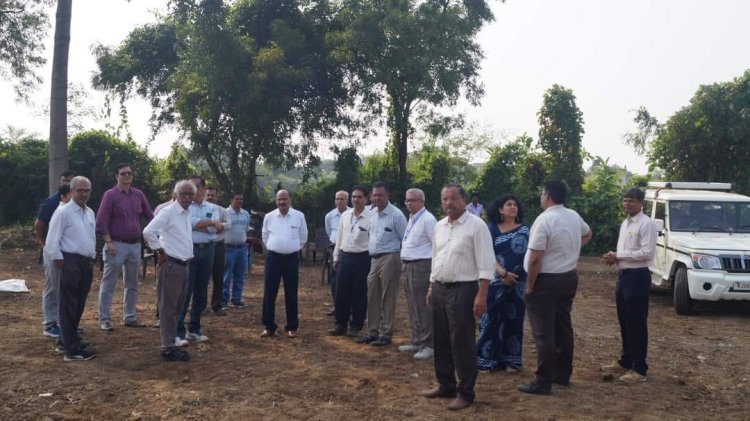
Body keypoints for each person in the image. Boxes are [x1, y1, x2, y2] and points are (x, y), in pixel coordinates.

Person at [421, 183, 494, 411]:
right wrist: (432, 286)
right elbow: (436, 257)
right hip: (440, 288)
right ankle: (445, 384)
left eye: (453, 198)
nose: (449, 203)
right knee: (441, 340)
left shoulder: (476, 226)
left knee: (461, 342)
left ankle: (466, 392)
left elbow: (486, 262)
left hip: (464, 289)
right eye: (444, 199)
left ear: (463, 199)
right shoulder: (440, 226)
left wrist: (482, 294)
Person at [518, 180, 592, 395]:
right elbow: (588, 234)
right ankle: (561, 374)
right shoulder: (572, 216)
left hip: (546, 281)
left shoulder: (544, 220)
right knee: (562, 326)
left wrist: (530, 285)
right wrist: (570, 250)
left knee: (544, 332)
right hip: (567, 277)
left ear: (547, 195)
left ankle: (543, 381)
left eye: (542, 193)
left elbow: (535, 259)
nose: (541, 197)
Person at [601, 188, 657, 383]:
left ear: (641, 203)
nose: (627, 204)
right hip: (624, 275)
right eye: (625, 201)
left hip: (638, 277)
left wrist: (620, 256)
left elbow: (647, 253)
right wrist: (614, 258)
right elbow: (625, 251)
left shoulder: (646, 224)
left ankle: (639, 368)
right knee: (624, 320)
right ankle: (626, 360)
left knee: (636, 322)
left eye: (631, 201)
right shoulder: (625, 223)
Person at [96, 163, 154, 330]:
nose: (127, 176)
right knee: (109, 283)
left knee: (132, 283)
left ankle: (129, 317)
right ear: (117, 176)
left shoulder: (138, 195)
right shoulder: (110, 195)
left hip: (135, 245)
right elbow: (101, 222)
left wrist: (153, 235)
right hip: (116, 244)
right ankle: (104, 319)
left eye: (129, 173)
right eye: (123, 174)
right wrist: (109, 242)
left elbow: (150, 216)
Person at [142, 180, 196, 362]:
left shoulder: (187, 212)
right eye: (184, 194)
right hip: (171, 265)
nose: (187, 197)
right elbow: (148, 231)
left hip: (183, 264)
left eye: (190, 194)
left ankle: (171, 343)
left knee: (178, 307)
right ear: (176, 194)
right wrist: (159, 250)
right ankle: (167, 347)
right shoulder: (168, 212)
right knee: (168, 308)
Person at [45, 176, 96, 361]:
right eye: (79, 190)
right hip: (69, 261)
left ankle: (66, 340)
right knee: (68, 304)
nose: (83, 194)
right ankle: (72, 350)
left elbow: (90, 237)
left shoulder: (89, 212)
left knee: (78, 303)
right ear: (72, 191)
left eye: (86, 190)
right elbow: (52, 241)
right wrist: (60, 260)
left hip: (85, 262)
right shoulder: (63, 212)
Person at [476, 194, 529, 372]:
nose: (513, 207)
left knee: (514, 321)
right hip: (495, 282)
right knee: (491, 320)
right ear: (500, 209)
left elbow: (529, 257)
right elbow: (486, 254)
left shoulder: (525, 231)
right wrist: (503, 274)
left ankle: (511, 361)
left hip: (518, 283)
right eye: (508, 204)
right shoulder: (491, 229)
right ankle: (486, 360)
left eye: (515, 205)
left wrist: (513, 277)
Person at [356, 182, 407, 346]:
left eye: (380, 195)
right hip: (374, 259)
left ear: (388, 196)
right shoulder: (372, 213)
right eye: (374, 195)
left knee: (388, 296)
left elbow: (404, 239)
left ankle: (386, 333)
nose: (376, 198)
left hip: (390, 258)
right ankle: (372, 332)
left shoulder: (396, 215)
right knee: (372, 296)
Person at [176, 175, 224, 345]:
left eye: (196, 187)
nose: (193, 191)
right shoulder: (184, 207)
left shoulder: (213, 207)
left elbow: (214, 230)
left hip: (208, 251)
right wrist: (209, 224)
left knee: (201, 292)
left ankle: (194, 329)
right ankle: (178, 332)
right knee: (185, 292)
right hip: (190, 251)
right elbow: (189, 224)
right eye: (190, 187)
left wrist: (201, 225)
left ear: (203, 189)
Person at [260, 189, 308, 338]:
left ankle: (292, 326)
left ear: (290, 200)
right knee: (269, 292)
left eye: (284, 199)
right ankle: (269, 327)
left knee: (291, 293)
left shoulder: (299, 216)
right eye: (279, 199)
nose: (282, 202)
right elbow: (265, 236)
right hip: (273, 258)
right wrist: (274, 247)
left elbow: (303, 237)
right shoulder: (269, 216)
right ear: (276, 201)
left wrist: (291, 248)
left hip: (291, 259)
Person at [35, 170, 76, 338]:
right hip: (53, 250)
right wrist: (44, 244)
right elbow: (39, 224)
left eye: (70, 181)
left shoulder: (76, 203)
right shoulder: (52, 201)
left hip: (68, 252)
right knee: (52, 286)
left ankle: (63, 322)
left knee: (65, 287)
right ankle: (50, 324)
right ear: (60, 183)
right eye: (64, 181)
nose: (67, 183)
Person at [328, 186, 372, 337]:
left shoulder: (371, 217)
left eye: (359, 197)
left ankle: (356, 325)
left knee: (359, 292)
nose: (356, 199)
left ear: (366, 199)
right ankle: (340, 323)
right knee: (341, 291)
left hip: (363, 257)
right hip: (345, 256)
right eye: (353, 197)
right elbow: (339, 237)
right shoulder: (345, 215)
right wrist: (336, 257)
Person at [398, 188, 437, 360]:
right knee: (412, 304)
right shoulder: (412, 218)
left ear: (422, 201)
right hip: (408, 266)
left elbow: (436, 246)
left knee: (423, 306)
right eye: (407, 200)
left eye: (412, 200)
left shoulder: (428, 220)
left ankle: (428, 344)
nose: (408, 204)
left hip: (421, 266)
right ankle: (416, 340)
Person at [324, 190, 350, 315]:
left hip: (349, 250)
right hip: (334, 248)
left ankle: (350, 306)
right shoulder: (329, 216)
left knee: (349, 279)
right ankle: (336, 305)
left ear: (347, 200)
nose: (339, 201)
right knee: (334, 279)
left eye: (342, 199)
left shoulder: (352, 213)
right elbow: (329, 232)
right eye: (337, 199)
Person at [223, 192, 251, 309]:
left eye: (241, 199)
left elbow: (246, 229)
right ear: (231, 200)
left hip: (242, 248)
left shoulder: (245, 214)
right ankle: (223, 301)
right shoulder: (225, 213)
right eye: (237, 199)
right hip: (228, 249)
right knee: (226, 276)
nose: (239, 201)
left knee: (240, 275)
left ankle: (237, 299)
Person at [206, 186, 230, 315]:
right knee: (202, 277)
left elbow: (229, 224)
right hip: (205, 245)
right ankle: (201, 306)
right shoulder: (201, 209)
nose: (210, 197)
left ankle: (217, 306)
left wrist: (219, 225)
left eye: (212, 195)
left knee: (218, 276)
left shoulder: (222, 210)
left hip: (219, 246)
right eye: (208, 195)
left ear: (217, 196)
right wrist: (215, 225)